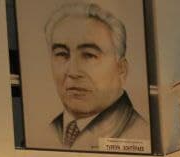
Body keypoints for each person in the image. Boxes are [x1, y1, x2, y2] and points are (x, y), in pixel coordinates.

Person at [43, 2, 149, 149]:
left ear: (121, 69)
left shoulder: (139, 132)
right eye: (61, 54)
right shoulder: (49, 132)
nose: (72, 72)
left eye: (89, 55)